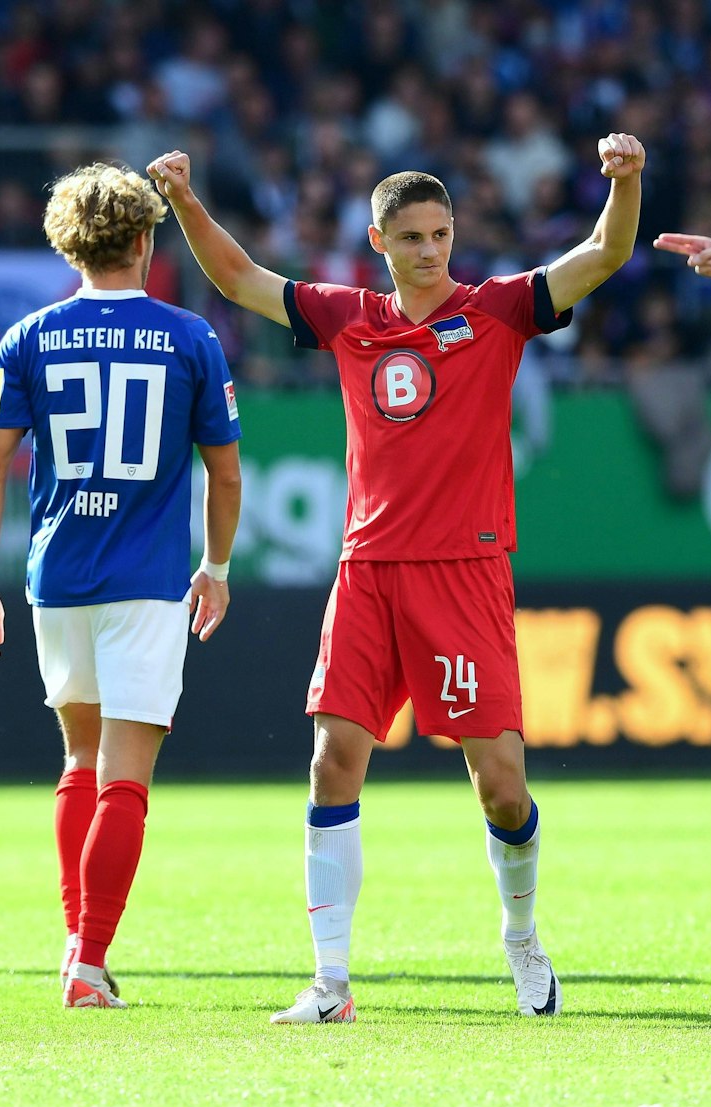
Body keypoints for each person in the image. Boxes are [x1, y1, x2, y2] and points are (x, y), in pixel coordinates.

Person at [146, 131, 647, 1024]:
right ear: (378, 242)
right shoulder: (349, 318)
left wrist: (628, 180)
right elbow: (240, 279)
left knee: (499, 782)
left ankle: (522, 938)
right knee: (333, 760)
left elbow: (606, 253)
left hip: (465, 571)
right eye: (411, 237)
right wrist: (185, 200)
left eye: (441, 235)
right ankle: (331, 982)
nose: (429, 251)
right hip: (369, 569)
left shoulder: (499, 309)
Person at [0, 162, 243, 1010]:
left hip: (56, 578)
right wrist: (218, 566)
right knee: (126, 775)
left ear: (66, 241)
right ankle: (87, 959)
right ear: (147, 241)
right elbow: (224, 476)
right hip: (147, 582)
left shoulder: (27, 338)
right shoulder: (191, 336)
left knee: (78, 760)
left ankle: (77, 946)